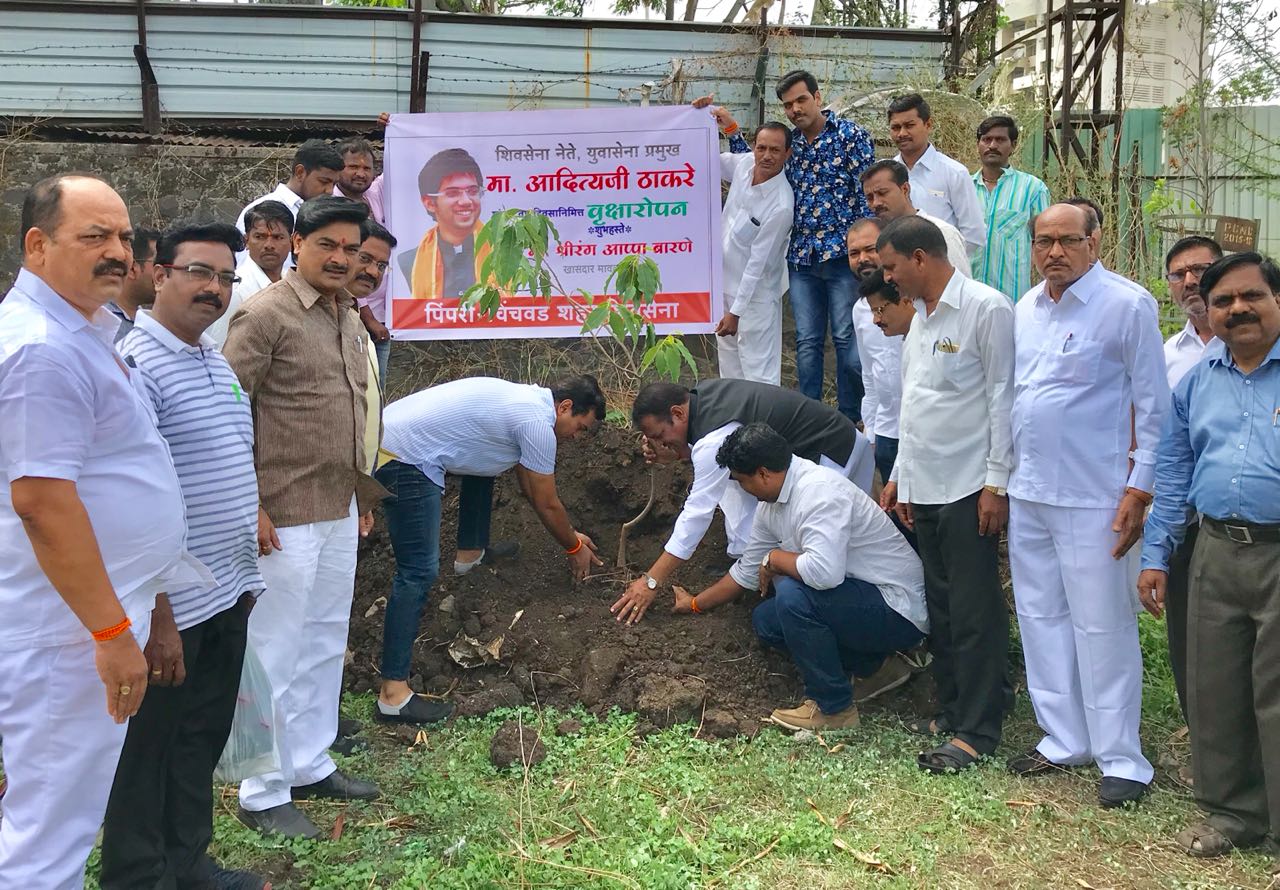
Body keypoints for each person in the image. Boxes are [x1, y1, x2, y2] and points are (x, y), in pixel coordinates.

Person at [0, 174, 209, 890]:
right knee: (49, 832)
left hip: (91, 617)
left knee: (62, 814)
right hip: (66, 633)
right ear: (38, 245)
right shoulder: (41, 350)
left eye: (123, 236)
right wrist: (111, 633)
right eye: (94, 236)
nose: (118, 251)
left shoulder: (84, 333)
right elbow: (42, 502)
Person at [101, 221, 267, 890]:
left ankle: (188, 862)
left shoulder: (213, 361)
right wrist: (160, 615)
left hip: (224, 593)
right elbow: (130, 503)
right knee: (149, 751)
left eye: (225, 278)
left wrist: (244, 581)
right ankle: (138, 876)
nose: (214, 288)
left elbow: (226, 465)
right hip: (171, 609)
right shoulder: (134, 365)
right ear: (159, 273)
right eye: (199, 272)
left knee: (199, 738)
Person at [223, 195, 384, 840]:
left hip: (339, 505)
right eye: (328, 246)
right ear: (297, 244)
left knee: (322, 640)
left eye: (352, 249)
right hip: (282, 512)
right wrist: (250, 503)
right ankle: (261, 791)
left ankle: (308, 762)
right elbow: (226, 413)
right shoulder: (265, 315)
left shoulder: (347, 316)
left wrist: (361, 495)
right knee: (274, 649)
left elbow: (354, 410)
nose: (341, 259)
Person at [1006, 203, 1168, 808]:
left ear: (1094, 242)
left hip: (1096, 494)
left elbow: (1154, 405)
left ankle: (1121, 756)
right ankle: (1063, 738)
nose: (1055, 252)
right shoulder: (1026, 308)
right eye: (1043, 242)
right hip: (1029, 490)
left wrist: (1139, 487)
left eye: (1068, 240)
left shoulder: (1126, 305)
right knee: (1040, 616)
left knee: (1102, 624)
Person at [1138, 252, 1280, 863]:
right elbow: (1174, 473)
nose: (1237, 309)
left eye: (1252, 296)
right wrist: (1156, 554)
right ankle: (1234, 813)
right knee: (1214, 686)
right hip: (1215, 551)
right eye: (1223, 301)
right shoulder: (1197, 382)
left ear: (1277, 300)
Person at [373, 376, 606, 723]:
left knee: (485, 461)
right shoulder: (536, 423)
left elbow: (529, 485)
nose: (577, 437)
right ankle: (393, 695)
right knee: (418, 571)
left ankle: (470, 555)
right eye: (580, 427)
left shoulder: (527, 404)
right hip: (405, 454)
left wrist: (570, 535)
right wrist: (573, 546)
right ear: (565, 407)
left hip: (390, 434)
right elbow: (546, 501)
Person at [670, 424, 928, 731]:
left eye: (741, 481)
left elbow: (824, 574)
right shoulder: (772, 504)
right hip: (861, 598)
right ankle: (876, 669)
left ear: (763, 474)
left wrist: (775, 558)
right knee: (767, 620)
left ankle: (834, 709)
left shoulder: (819, 493)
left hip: (898, 607)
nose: (741, 489)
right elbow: (747, 570)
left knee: (793, 596)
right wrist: (695, 604)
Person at [875, 215, 1015, 774]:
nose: (887, 280)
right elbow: (916, 407)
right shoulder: (921, 321)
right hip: (926, 485)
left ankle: (978, 730)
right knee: (944, 607)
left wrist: (997, 483)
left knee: (974, 608)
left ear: (920, 258)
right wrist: (902, 478)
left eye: (891, 268)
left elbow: (1003, 398)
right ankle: (956, 708)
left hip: (969, 485)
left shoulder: (986, 308)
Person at [612, 379, 873, 626]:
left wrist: (652, 580)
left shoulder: (713, 440)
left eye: (660, 435)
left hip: (832, 452)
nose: (659, 444)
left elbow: (696, 514)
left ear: (678, 413)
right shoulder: (700, 399)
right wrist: (678, 451)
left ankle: (833, 619)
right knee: (749, 503)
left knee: (818, 556)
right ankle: (756, 573)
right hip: (829, 442)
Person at [714, 69, 876, 422]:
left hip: (843, 257)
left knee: (846, 340)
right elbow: (754, 161)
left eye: (801, 100)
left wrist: (868, 249)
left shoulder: (850, 136)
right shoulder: (792, 143)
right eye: (788, 105)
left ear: (817, 98)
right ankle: (810, 418)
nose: (795, 109)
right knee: (807, 342)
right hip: (802, 257)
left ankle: (849, 419)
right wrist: (730, 129)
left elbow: (868, 191)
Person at [1158, 234, 1223, 723]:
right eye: (1178, 274)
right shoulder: (1166, 355)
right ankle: (1198, 728)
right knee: (1186, 630)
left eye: (1200, 270)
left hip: (1244, 514)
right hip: (1183, 513)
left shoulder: (1252, 343)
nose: (1189, 281)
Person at [702, 110, 794, 385]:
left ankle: (763, 417)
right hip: (724, 289)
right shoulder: (744, 166)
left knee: (759, 375)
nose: (766, 156)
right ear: (753, 147)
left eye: (775, 150)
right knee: (730, 373)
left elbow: (758, 264)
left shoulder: (781, 205)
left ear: (787, 154)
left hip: (755, 301)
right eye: (761, 148)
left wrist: (736, 313)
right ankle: (734, 416)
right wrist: (703, 120)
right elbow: (708, 160)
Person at [888, 93, 985, 259]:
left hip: (943, 269)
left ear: (928, 125)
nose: (902, 133)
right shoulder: (886, 174)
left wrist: (941, 262)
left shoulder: (954, 173)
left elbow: (974, 235)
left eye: (909, 125)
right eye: (895, 127)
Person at [847, 219, 904, 484]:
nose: (863, 259)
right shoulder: (860, 311)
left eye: (870, 249)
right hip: (887, 432)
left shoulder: (915, 300)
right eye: (854, 253)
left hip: (925, 432)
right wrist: (870, 431)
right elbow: (869, 375)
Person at [971, 115, 1051, 302]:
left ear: (1013, 145)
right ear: (978, 144)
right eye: (986, 139)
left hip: (1012, 300)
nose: (992, 145)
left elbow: (1045, 244)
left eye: (1000, 140)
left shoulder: (1032, 189)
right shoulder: (963, 187)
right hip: (968, 299)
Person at [398, 148, 492, 301]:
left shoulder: (503, 255)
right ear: (429, 203)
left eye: (472, 191)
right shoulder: (410, 261)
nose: (466, 201)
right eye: (453, 193)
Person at [334, 138, 392, 383]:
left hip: (384, 316)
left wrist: (393, 128)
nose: (361, 173)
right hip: (354, 315)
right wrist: (368, 317)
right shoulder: (331, 207)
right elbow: (345, 268)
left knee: (377, 389)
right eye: (353, 167)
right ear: (339, 168)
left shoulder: (374, 193)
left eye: (367, 168)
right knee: (354, 385)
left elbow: (401, 159)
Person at [860, 159, 971, 276]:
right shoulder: (877, 238)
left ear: (905, 189)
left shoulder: (943, 233)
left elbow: (960, 284)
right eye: (869, 198)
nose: (876, 203)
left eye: (882, 193)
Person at [213, 199, 293, 348]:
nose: (269, 245)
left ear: (292, 242)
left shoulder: (293, 284)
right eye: (260, 237)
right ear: (246, 241)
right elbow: (220, 347)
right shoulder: (235, 290)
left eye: (278, 237)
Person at [235, 140, 344, 237]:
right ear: (300, 172)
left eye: (334, 184)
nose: (330, 191)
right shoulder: (259, 211)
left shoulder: (326, 214)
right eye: (324, 181)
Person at [349, 219, 396, 388]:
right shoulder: (305, 314)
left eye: (381, 266)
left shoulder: (348, 316)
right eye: (364, 258)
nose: (374, 272)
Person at [104, 226, 160, 342]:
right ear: (132, 269)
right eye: (158, 264)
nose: (164, 274)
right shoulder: (101, 323)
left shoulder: (150, 321)